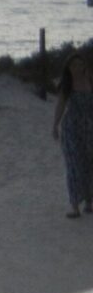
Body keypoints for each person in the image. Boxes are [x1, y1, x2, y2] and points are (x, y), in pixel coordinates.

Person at [58, 49, 93, 219]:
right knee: (74, 165)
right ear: (68, 67)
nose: (76, 67)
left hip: (88, 128)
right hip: (71, 128)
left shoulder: (90, 80)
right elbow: (60, 106)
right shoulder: (67, 83)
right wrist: (54, 125)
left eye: (79, 64)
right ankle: (74, 206)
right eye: (73, 65)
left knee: (89, 164)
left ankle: (89, 202)